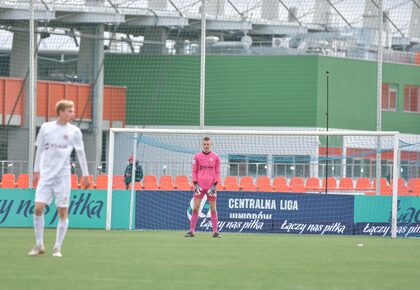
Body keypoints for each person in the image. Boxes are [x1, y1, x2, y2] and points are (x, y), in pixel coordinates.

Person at [28, 100, 91, 258]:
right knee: (38, 208)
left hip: (63, 176)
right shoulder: (46, 128)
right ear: (61, 112)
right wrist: (36, 170)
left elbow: (80, 153)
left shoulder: (75, 131)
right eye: (70, 111)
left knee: (63, 212)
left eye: (73, 111)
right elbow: (40, 149)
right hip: (46, 176)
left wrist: (86, 174)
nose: (73, 114)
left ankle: (57, 248)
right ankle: (38, 245)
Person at [185, 136, 221, 238]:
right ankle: (191, 231)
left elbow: (218, 172)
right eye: (204, 144)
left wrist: (214, 185)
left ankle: (215, 232)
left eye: (208, 144)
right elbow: (194, 171)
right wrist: (195, 184)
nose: (206, 146)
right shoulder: (196, 156)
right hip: (199, 187)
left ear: (211, 145)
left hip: (211, 188)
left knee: (213, 209)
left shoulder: (216, 157)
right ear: (202, 144)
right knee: (195, 208)